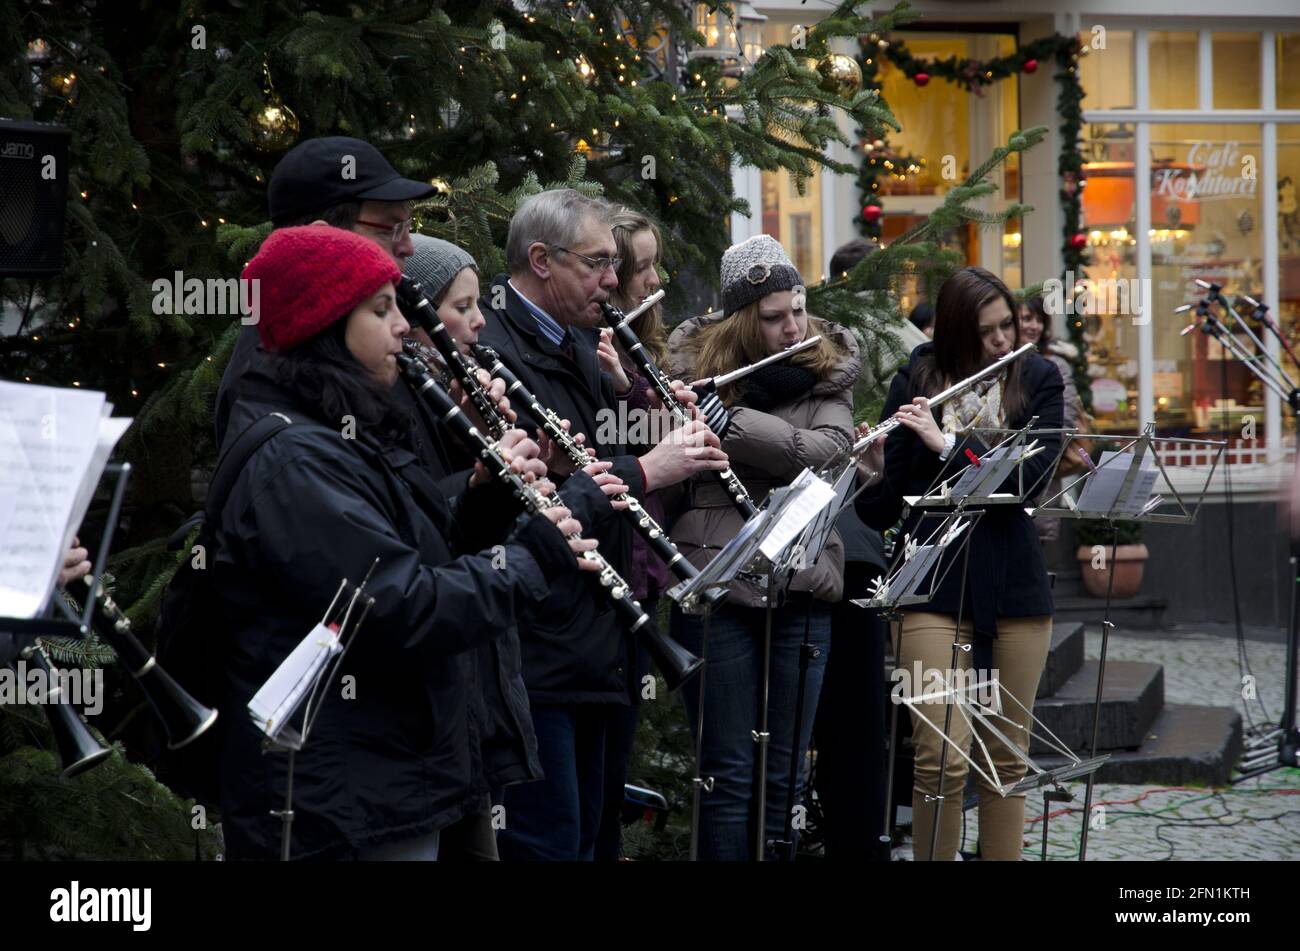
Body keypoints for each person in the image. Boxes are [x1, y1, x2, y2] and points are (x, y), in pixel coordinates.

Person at [212, 225, 594, 860]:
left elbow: (417, 551)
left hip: (385, 773)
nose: (400, 328)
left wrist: (486, 498)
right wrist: (540, 555)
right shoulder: (296, 457)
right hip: (346, 795)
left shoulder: (341, 428)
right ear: (325, 320)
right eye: (381, 309)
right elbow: (399, 607)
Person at [478, 189, 729, 860]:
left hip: (597, 642)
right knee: (552, 841)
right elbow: (539, 497)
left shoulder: (580, 343)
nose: (615, 281)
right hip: (542, 646)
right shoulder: (493, 349)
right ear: (541, 260)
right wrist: (649, 466)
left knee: (593, 835)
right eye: (598, 262)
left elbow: (586, 455)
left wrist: (639, 407)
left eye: (616, 263)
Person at [857, 265, 1064, 861]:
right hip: (931, 584)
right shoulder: (920, 376)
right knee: (941, 756)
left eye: (1008, 325)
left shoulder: (1038, 378)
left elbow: (1026, 480)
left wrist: (947, 446)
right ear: (955, 333)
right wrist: (871, 472)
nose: (1003, 340)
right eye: (987, 332)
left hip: (1015, 587)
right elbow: (887, 503)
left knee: (1004, 755)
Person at [666, 233, 859, 861]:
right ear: (743, 322)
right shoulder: (691, 370)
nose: (792, 327)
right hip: (719, 581)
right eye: (774, 317)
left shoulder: (826, 365)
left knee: (785, 774)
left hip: (803, 578)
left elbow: (828, 450)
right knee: (725, 773)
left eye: (798, 310)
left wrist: (737, 424)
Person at [592, 206, 670, 861]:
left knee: (612, 759)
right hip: (611, 564)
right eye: (636, 266)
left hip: (643, 569)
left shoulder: (645, 339)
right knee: (599, 769)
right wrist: (634, 399)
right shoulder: (595, 345)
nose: (650, 279)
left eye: (649, 264)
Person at [1019, 292, 1084, 544]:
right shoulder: (999, 364)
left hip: (1041, 484)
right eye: (1026, 318)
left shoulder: (1055, 366)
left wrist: (1030, 463)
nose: (1033, 325)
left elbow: (1063, 426)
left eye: (1039, 319)